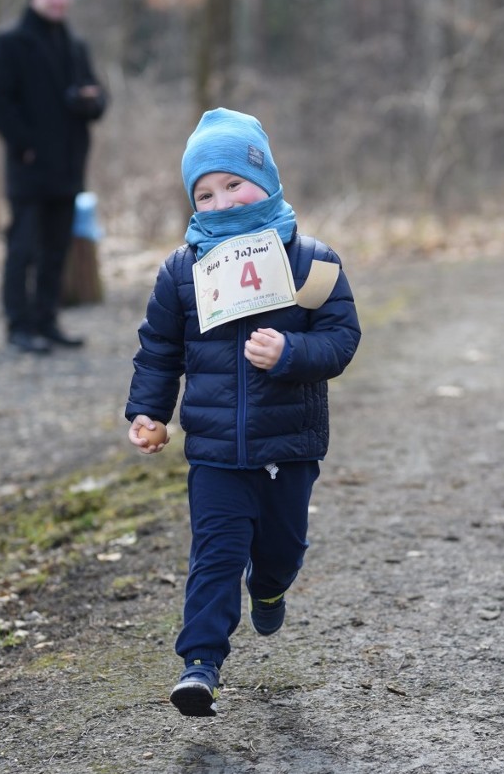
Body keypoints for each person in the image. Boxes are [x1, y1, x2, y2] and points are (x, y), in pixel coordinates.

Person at [124, 107, 361, 716]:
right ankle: (199, 664)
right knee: (216, 552)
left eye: (234, 183)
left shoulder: (310, 260)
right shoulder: (183, 272)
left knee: (281, 549)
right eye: (204, 193)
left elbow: (340, 339)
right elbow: (159, 349)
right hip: (215, 449)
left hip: (288, 443)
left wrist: (289, 352)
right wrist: (150, 412)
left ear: (268, 179)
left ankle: (272, 586)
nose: (221, 201)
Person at [0, 0, 108, 354]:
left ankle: (46, 320)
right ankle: (18, 325)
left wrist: (87, 102)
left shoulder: (75, 46)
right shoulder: (10, 43)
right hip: (29, 167)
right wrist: (25, 144)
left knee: (56, 248)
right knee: (24, 248)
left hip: (69, 165)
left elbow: (98, 99)